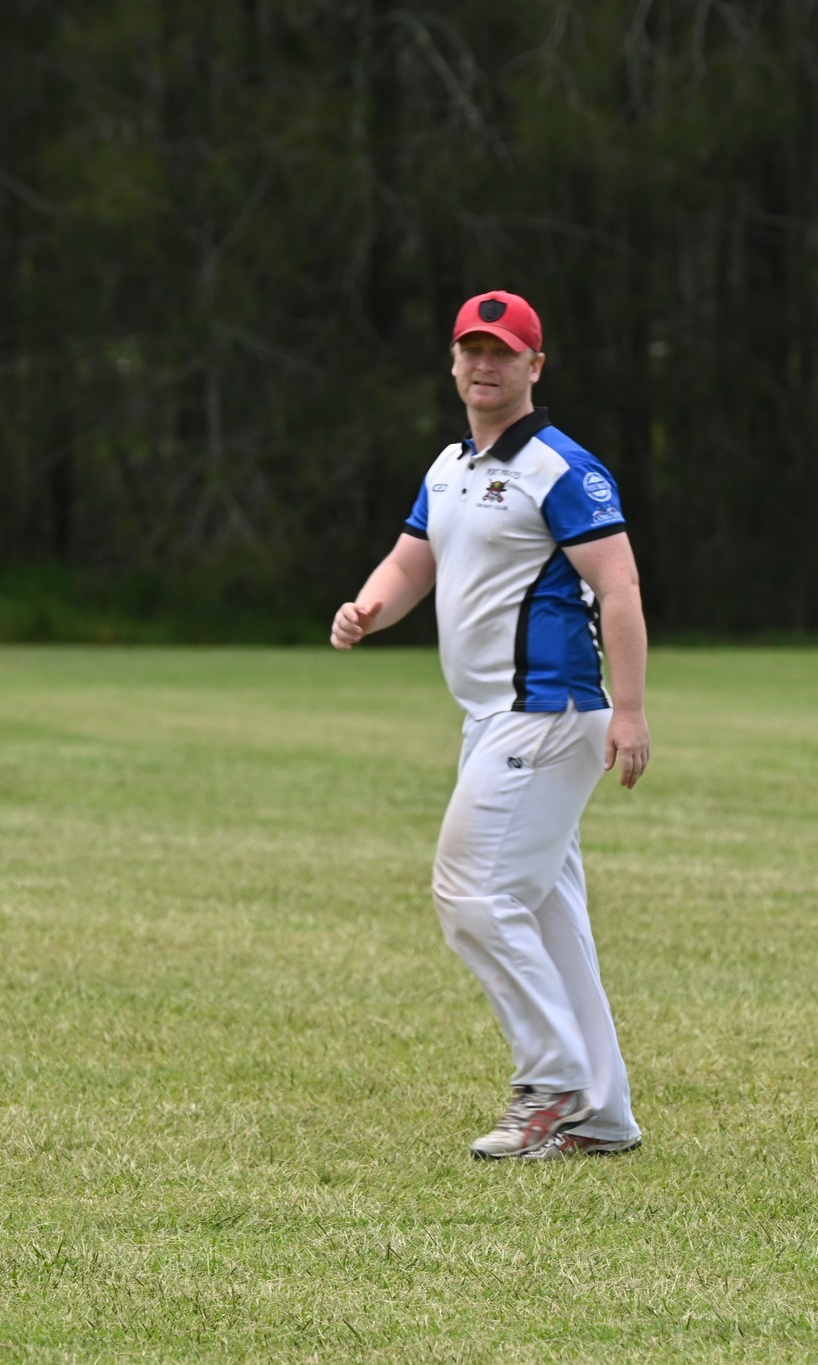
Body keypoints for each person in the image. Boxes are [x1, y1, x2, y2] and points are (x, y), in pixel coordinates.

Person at [331, 290, 648, 1161]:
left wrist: (630, 709)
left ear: (535, 366)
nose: (484, 364)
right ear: (452, 361)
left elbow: (618, 587)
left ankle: (552, 1081)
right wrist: (368, 606)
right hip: (492, 720)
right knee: (547, 919)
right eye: (472, 349)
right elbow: (413, 562)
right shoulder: (449, 467)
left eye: (503, 351)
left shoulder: (561, 467)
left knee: (471, 895)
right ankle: (602, 1115)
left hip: (545, 713)